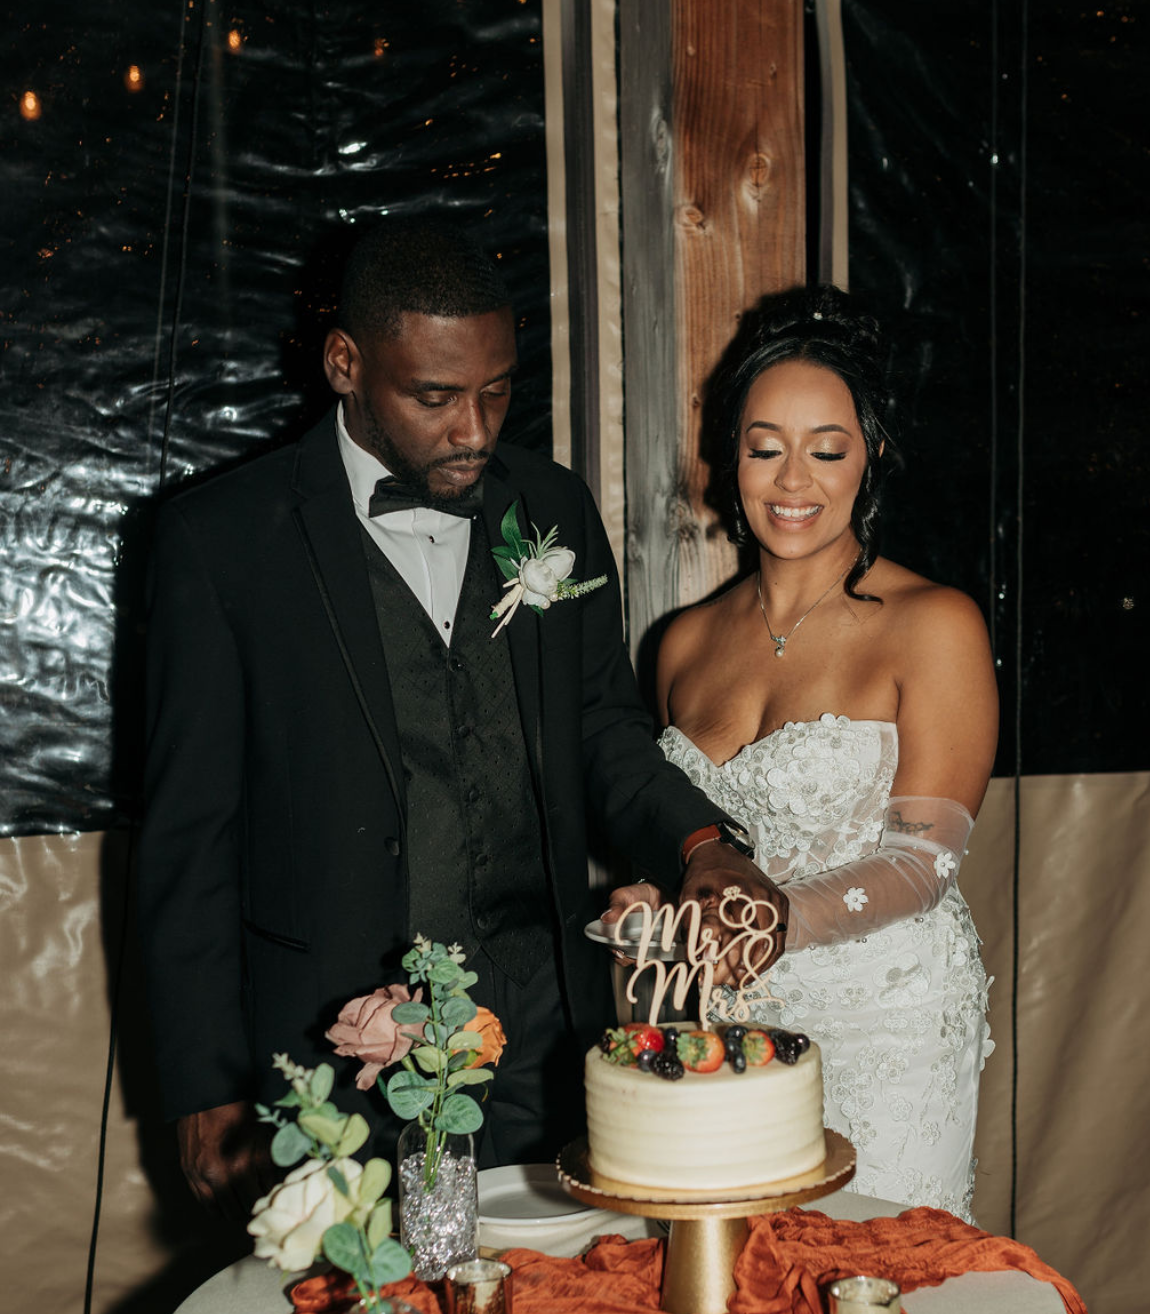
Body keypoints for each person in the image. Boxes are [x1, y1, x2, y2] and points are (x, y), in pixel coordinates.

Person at [139, 214, 781, 1220]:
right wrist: (205, 1079)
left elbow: (602, 727)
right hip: (335, 1047)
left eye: (496, 392)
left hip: (539, 1026)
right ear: (346, 364)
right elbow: (189, 837)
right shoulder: (220, 544)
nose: (475, 431)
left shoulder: (553, 509)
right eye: (434, 397)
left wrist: (702, 841)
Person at [612, 286, 998, 1218]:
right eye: (766, 448)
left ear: (869, 459)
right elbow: (672, 831)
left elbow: (924, 858)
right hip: (724, 1019)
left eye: (827, 450)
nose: (794, 482)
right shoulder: (680, 643)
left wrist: (779, 918)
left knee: (874, 1289)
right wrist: (652, 913)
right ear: (731, 458)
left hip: (888, 1019)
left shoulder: (932, 624)